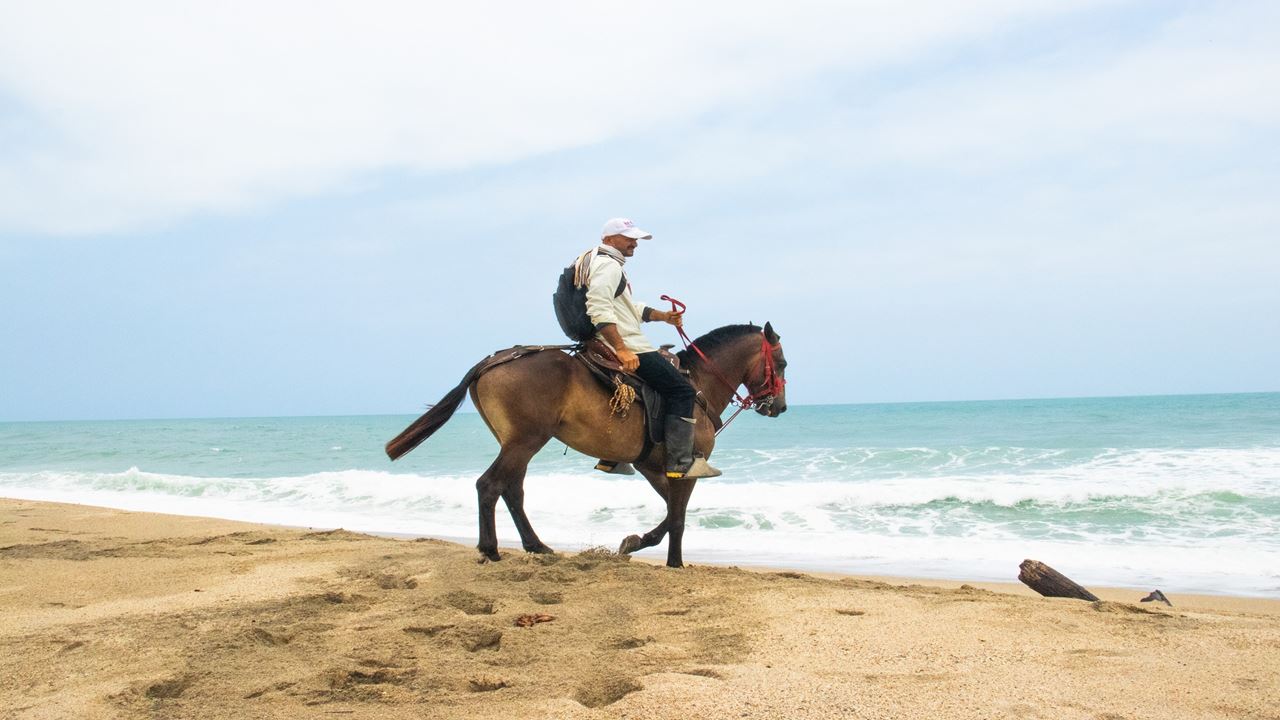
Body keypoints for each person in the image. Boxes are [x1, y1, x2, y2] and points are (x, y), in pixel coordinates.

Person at [574, 217, 720, 480]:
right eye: (629, 238)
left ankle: (612, 457)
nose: (635, 244)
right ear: (609, 239)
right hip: (626, 343)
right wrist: (621, 349)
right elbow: (598, 307)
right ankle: (680, 462)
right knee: (682, 391)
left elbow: (627, 309)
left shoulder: (596, 262)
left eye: (636, 239)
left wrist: (663, 316)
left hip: (608, 339)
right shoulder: (608, 266)